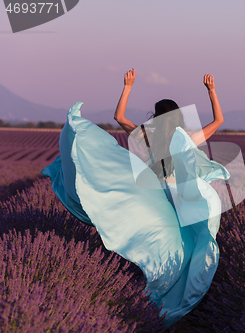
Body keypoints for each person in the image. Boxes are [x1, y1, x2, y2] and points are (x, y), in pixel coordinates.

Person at [41, 69, 231, 328]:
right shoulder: (184, 139)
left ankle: (144, 296)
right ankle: (174, 300)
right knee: (193, 246)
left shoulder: (146, 136)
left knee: (158, 247)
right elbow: (218, 120)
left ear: (155, 117)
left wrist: (127, 86)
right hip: (182, 199)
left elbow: (118, 117)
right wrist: (211, 91)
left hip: (157, 199)